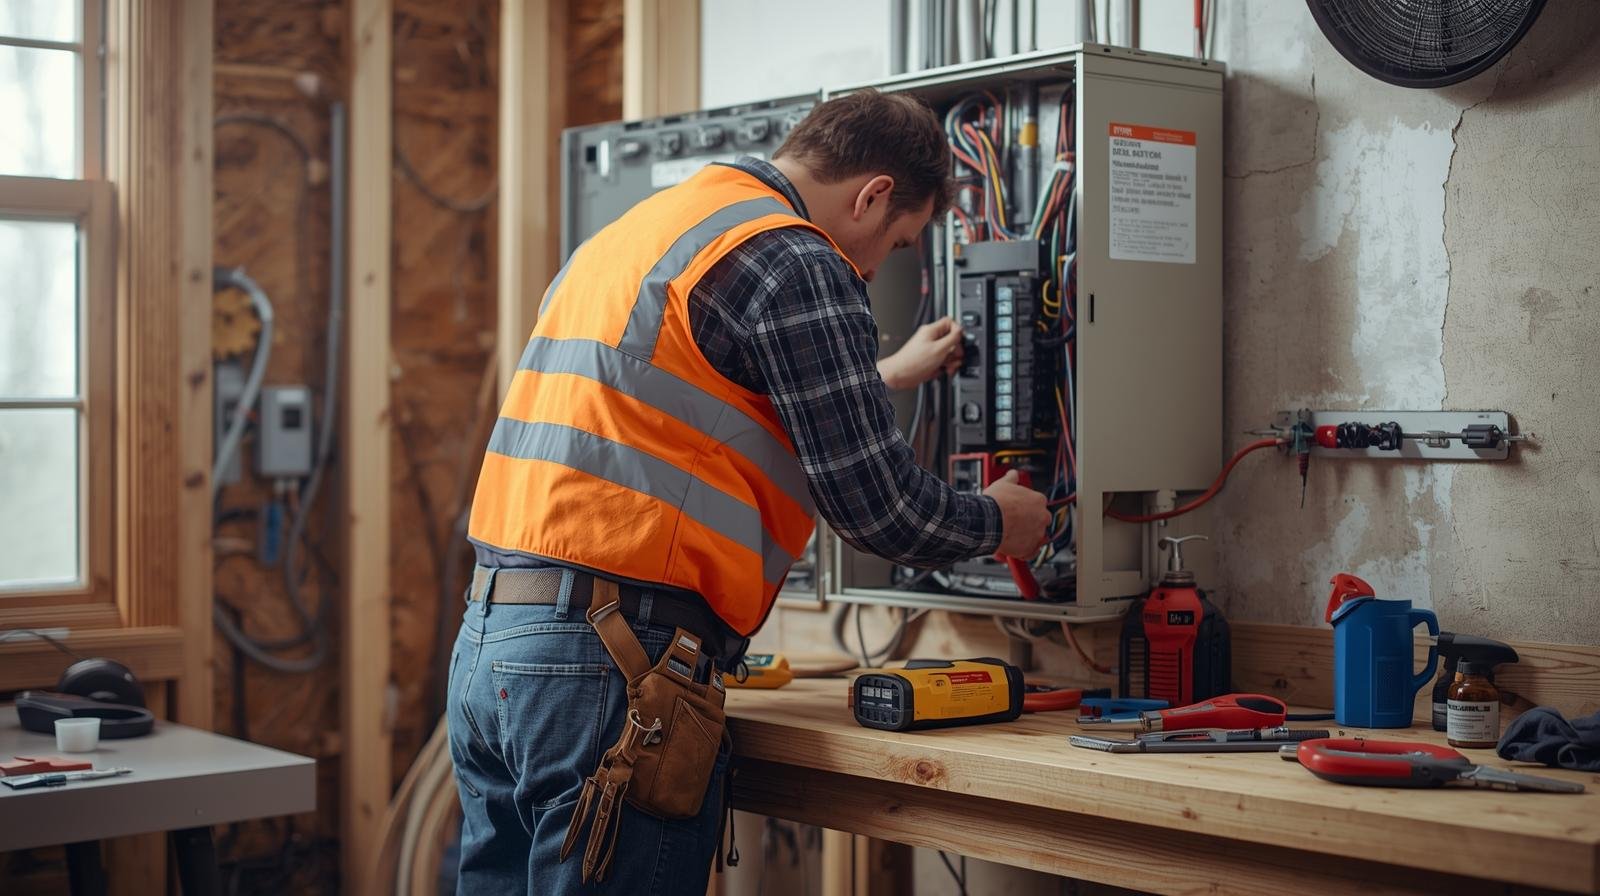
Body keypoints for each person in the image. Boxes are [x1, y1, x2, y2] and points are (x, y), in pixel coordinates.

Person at [447, 88, 1051, 895]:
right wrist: (999, 522)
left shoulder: (649, 229)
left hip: (495, 648)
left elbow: (692, 409)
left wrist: (886, 374)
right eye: (897, 242)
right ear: (871, 194)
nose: (873, 270)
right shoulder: (795, 258)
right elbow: (881, 508)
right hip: (614, 665)